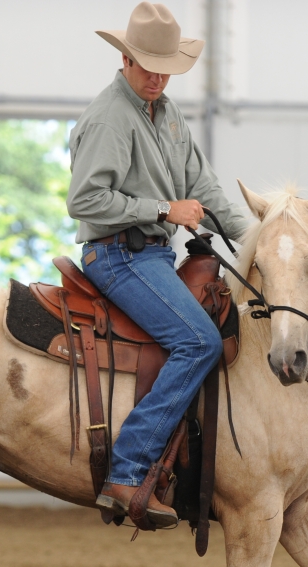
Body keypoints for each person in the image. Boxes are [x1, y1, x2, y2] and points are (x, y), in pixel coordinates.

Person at [67, 2, 251, 528]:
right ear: (125, 58)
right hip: (117, 255)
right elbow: (84, 200)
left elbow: (204, 186)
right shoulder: (109, 118)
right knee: (198, 342)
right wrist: (163, 209)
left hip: (151, 254)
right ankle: (126, 472)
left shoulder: (166, 114)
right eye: (147, 63)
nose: (156, 75)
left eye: (165, 65)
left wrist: (255, 237)